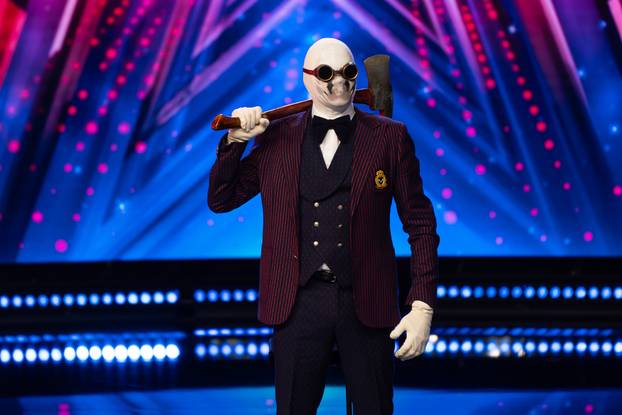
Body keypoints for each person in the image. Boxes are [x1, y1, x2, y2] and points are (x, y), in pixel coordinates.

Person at [208, 37, 440, 415]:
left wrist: (422, 305)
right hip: (297, 302)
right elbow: (221, 200)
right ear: (307, 78)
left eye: (348, 72)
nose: (341, 83)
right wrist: (235, 142)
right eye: (326, 73)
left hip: (367, 299)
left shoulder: (390, 137)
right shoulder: (275, 137)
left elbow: (420, 222)